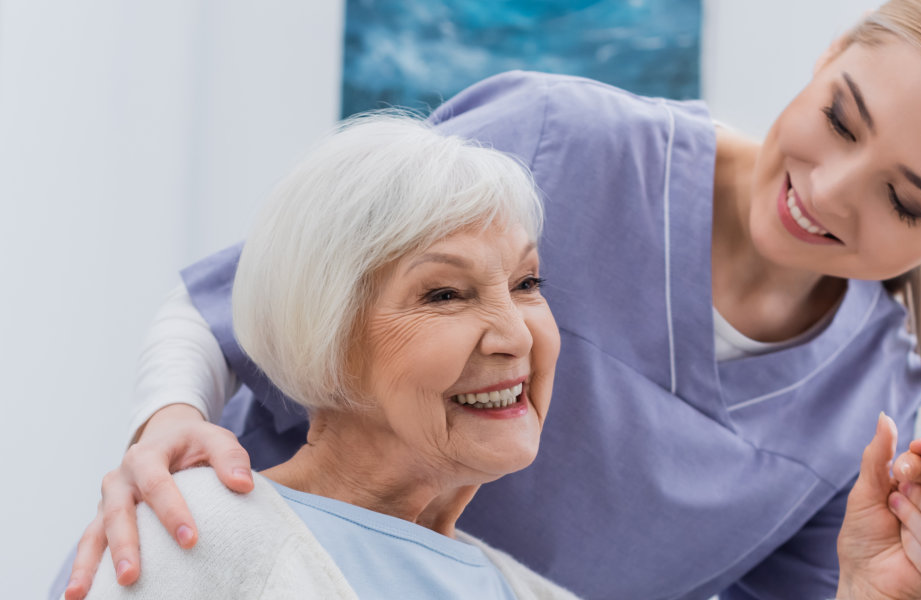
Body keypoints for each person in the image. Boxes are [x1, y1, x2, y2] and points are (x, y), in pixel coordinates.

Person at [68, 0, 921, 597]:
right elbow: (234, 303)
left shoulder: (867, 412)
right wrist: (166, 435)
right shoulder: (564, 142)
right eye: (841, 116)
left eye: (904, 202)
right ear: (827, 57)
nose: (826, 190)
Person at [78, 114, 578, 599]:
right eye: (445, 294)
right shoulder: (201, 534)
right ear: (326, 336)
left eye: (526, 284)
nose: (517, 336)